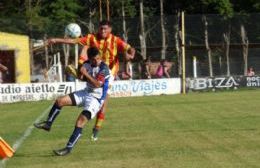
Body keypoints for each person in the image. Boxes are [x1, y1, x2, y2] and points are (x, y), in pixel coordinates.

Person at [46, 20, 135, 141]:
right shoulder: (92, 38)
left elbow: (130, 49)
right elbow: (73, 41)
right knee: (92, 89)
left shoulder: (116, 40)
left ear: (110, 30)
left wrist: (129, 57)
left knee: (103, 102)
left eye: (105, 29)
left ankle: (96, 129)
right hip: (95, 70)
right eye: (101, 29)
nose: (103, 31)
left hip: (109, 73)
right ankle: (81, 84)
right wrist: (56, 40)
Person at [34, 47, 110, 156]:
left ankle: (68, 149)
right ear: (90, 59)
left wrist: (85, 73)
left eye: (98, 58)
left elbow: (98, 84)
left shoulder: (104, 68)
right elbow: (82, 77)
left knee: (80, 121)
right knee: (60, 101)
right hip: (86, 92)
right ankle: (48, 124)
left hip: (96, 99)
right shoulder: (86, 63)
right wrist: (75, 72)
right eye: (94, 59)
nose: (97, 61)